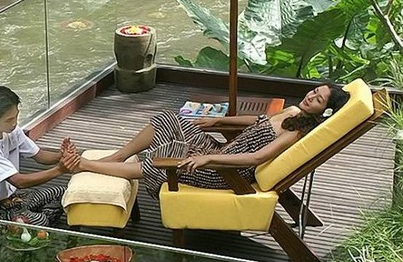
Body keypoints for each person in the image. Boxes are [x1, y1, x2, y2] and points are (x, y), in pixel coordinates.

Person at [60, 84, 351, 199]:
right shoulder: (292, 110)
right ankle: (115, 159)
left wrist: (209, 159)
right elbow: (256, 122)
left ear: (324, 110)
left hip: (227, 173)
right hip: (222, 152)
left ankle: (84, 164)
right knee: (167, 118)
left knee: (168, 154)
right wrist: (217, 121)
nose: (311, 95)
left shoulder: (296, 133)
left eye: (318, 99)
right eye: (314, 90)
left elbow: (256, 159)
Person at [0, 86, 70, 226]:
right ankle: (19, 223)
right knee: (40, 220)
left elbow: (39, 155)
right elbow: (19, 181)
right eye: (9, 120)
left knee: (61, 192)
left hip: (12, 200)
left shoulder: (12, 130)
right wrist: (59, 170)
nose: (14, 123)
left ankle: (22, 223)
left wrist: (61, 156)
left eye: (16, 116)